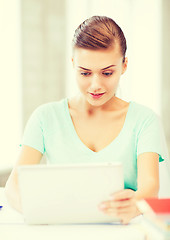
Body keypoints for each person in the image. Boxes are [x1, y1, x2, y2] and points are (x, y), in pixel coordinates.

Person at [5, 15, 168, 224]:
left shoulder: (145, 120)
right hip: (59, 230)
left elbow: (150, 188)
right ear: (73, 64)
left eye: (107, 73)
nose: (95, 85)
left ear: (124, 65)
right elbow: (13, 186)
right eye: (85, 73)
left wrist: (136, 204)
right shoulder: (45, 118)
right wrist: (36, 211)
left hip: (124, 231)